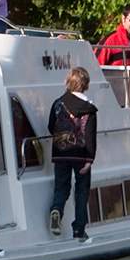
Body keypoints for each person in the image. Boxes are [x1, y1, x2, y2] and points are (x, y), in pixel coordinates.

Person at [46, 67, 100, 241]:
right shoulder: (89, 108)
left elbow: (51, 126)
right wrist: (90, 159)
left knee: (62, 186)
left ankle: (56, 209)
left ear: (69, 82)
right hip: (81, 154)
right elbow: (90, 135)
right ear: (86, 85)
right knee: (81, 190)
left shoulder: (58, 103)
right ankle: (78, 229)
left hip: (60, 152)